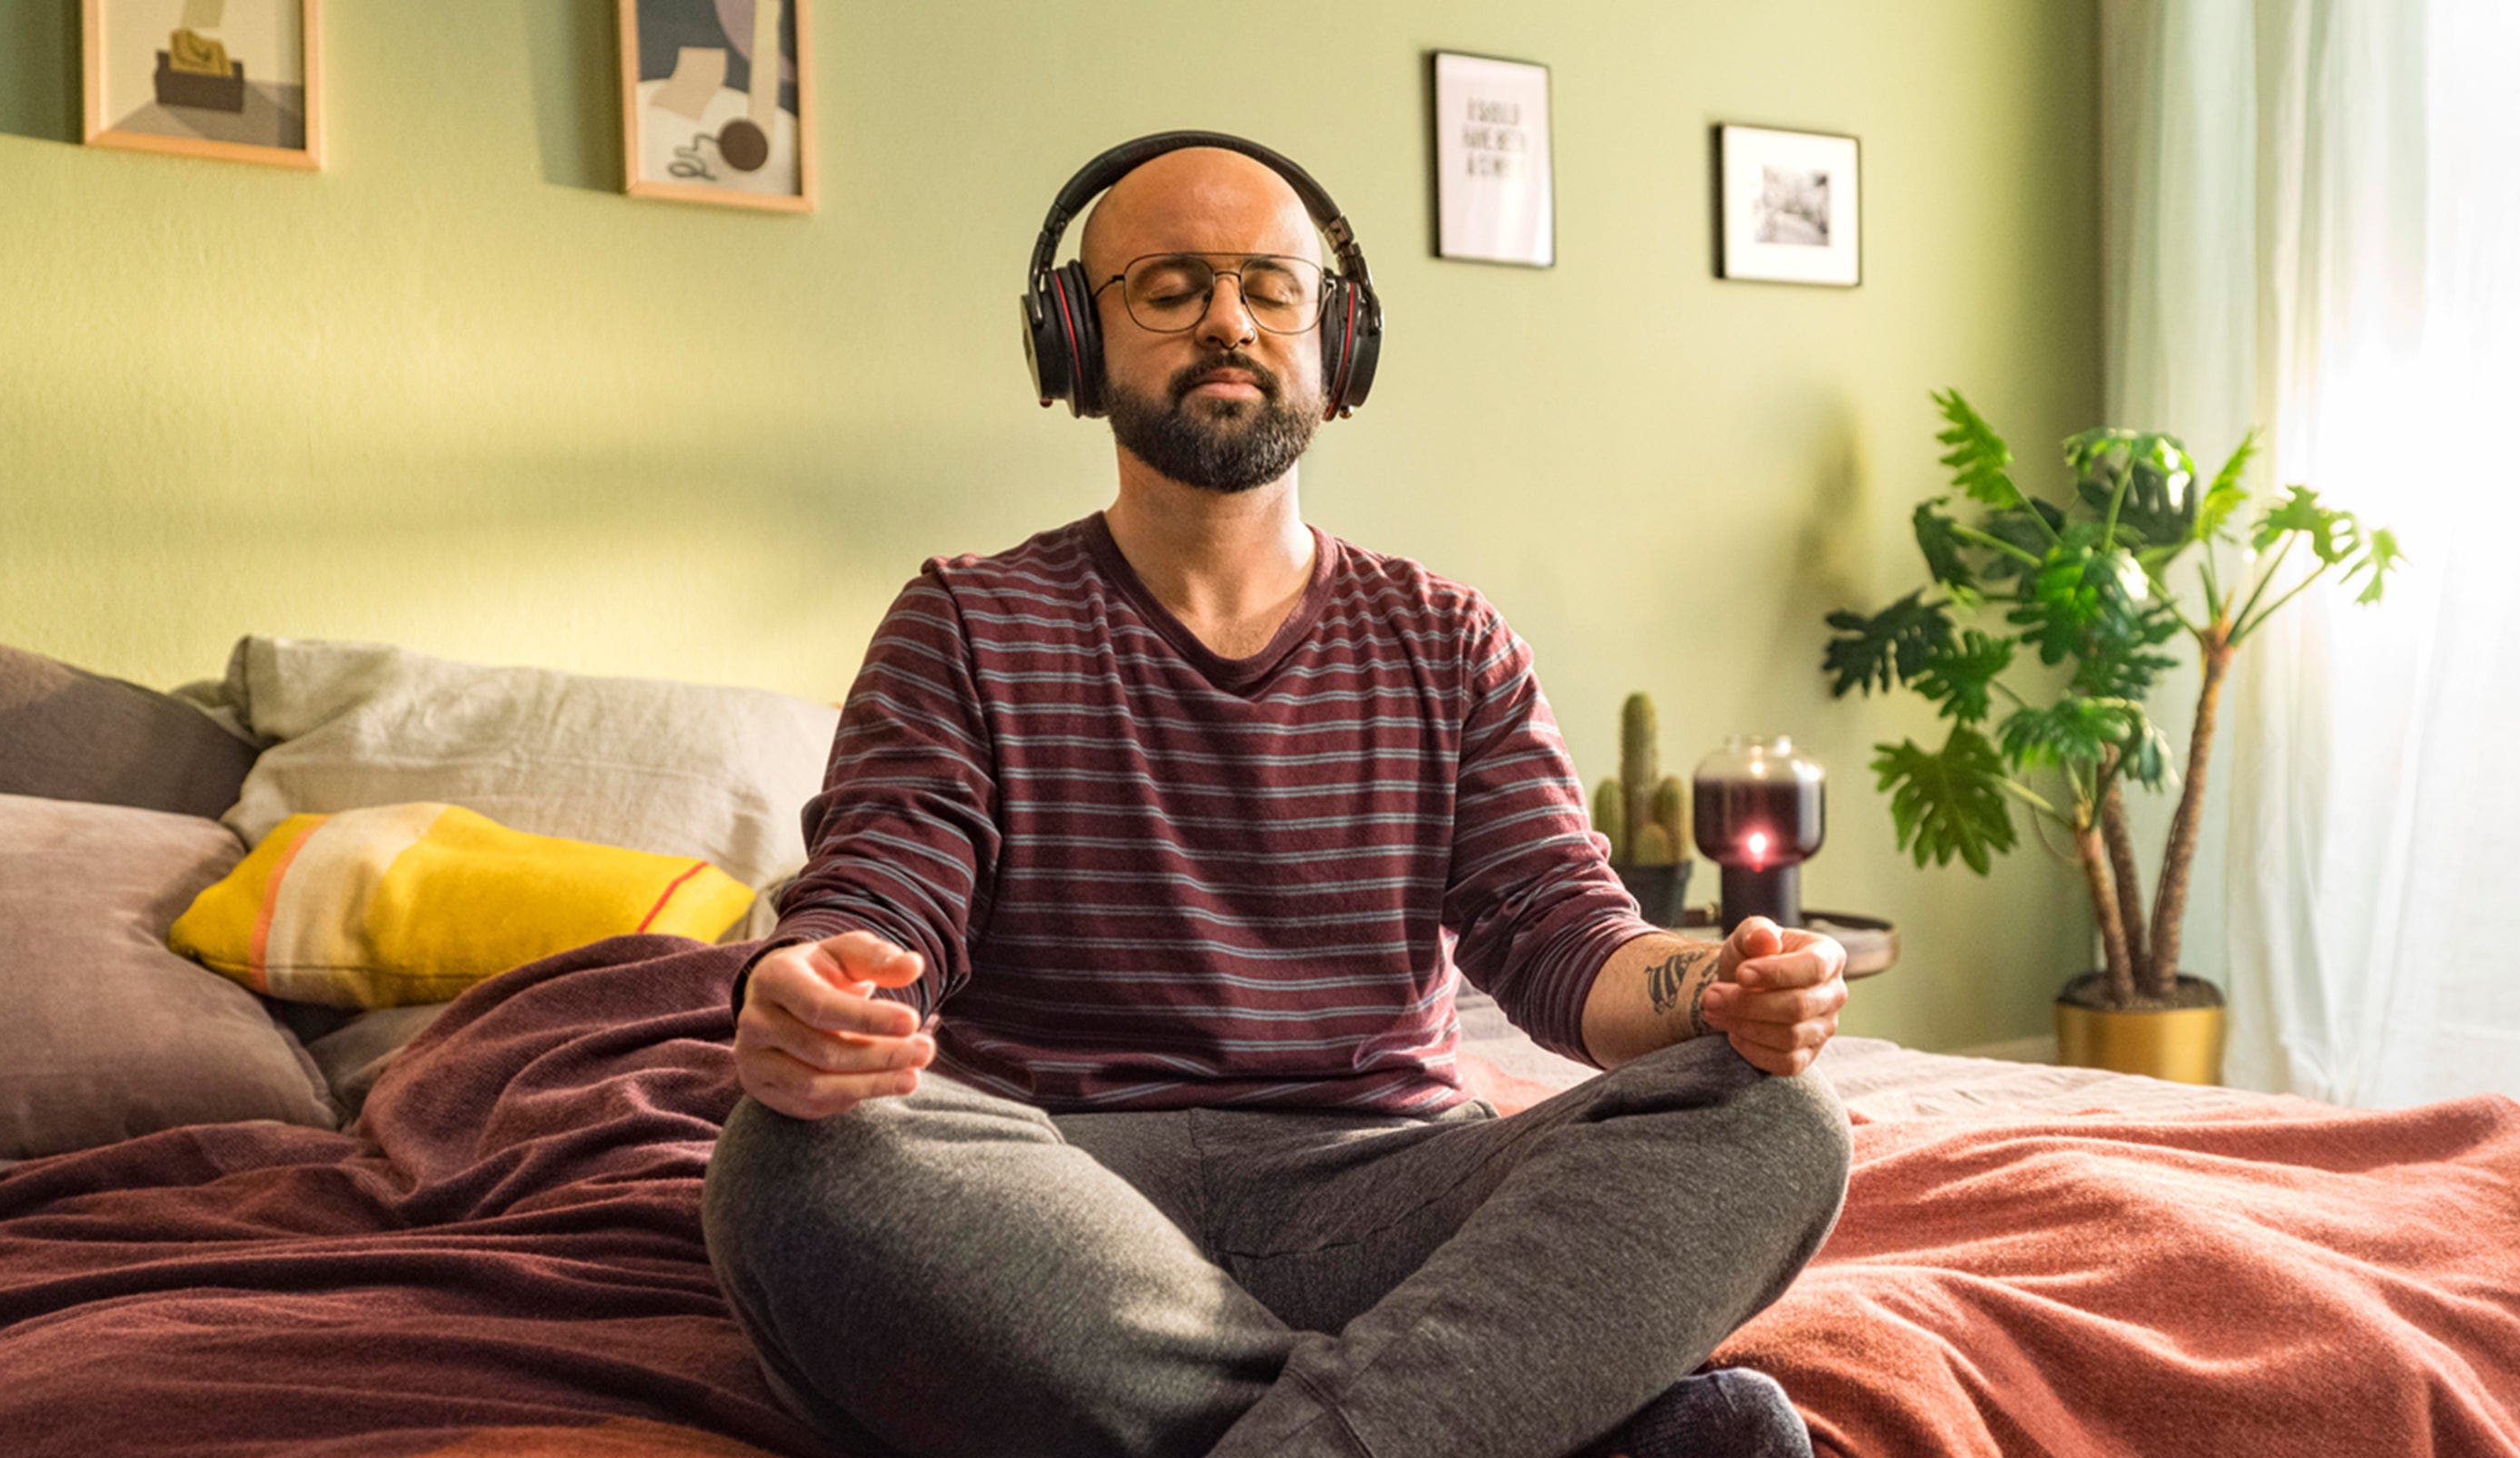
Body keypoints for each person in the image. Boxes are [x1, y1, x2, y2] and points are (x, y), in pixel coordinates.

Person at [699, 132, 1855, 1458]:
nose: (1230, 321)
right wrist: (811, 983)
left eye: (1271, 286)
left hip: (1392, 1195)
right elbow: (884, 887)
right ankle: (1487, 1420)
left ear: (1338, 336)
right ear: (1075, 337)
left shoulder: (1448, 638)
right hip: (1057, 1205)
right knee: (794, 1158)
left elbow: (1563, 938)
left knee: (1776, 1116)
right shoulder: (967, 620)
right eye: (1170, 288)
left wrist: (1721, 987)